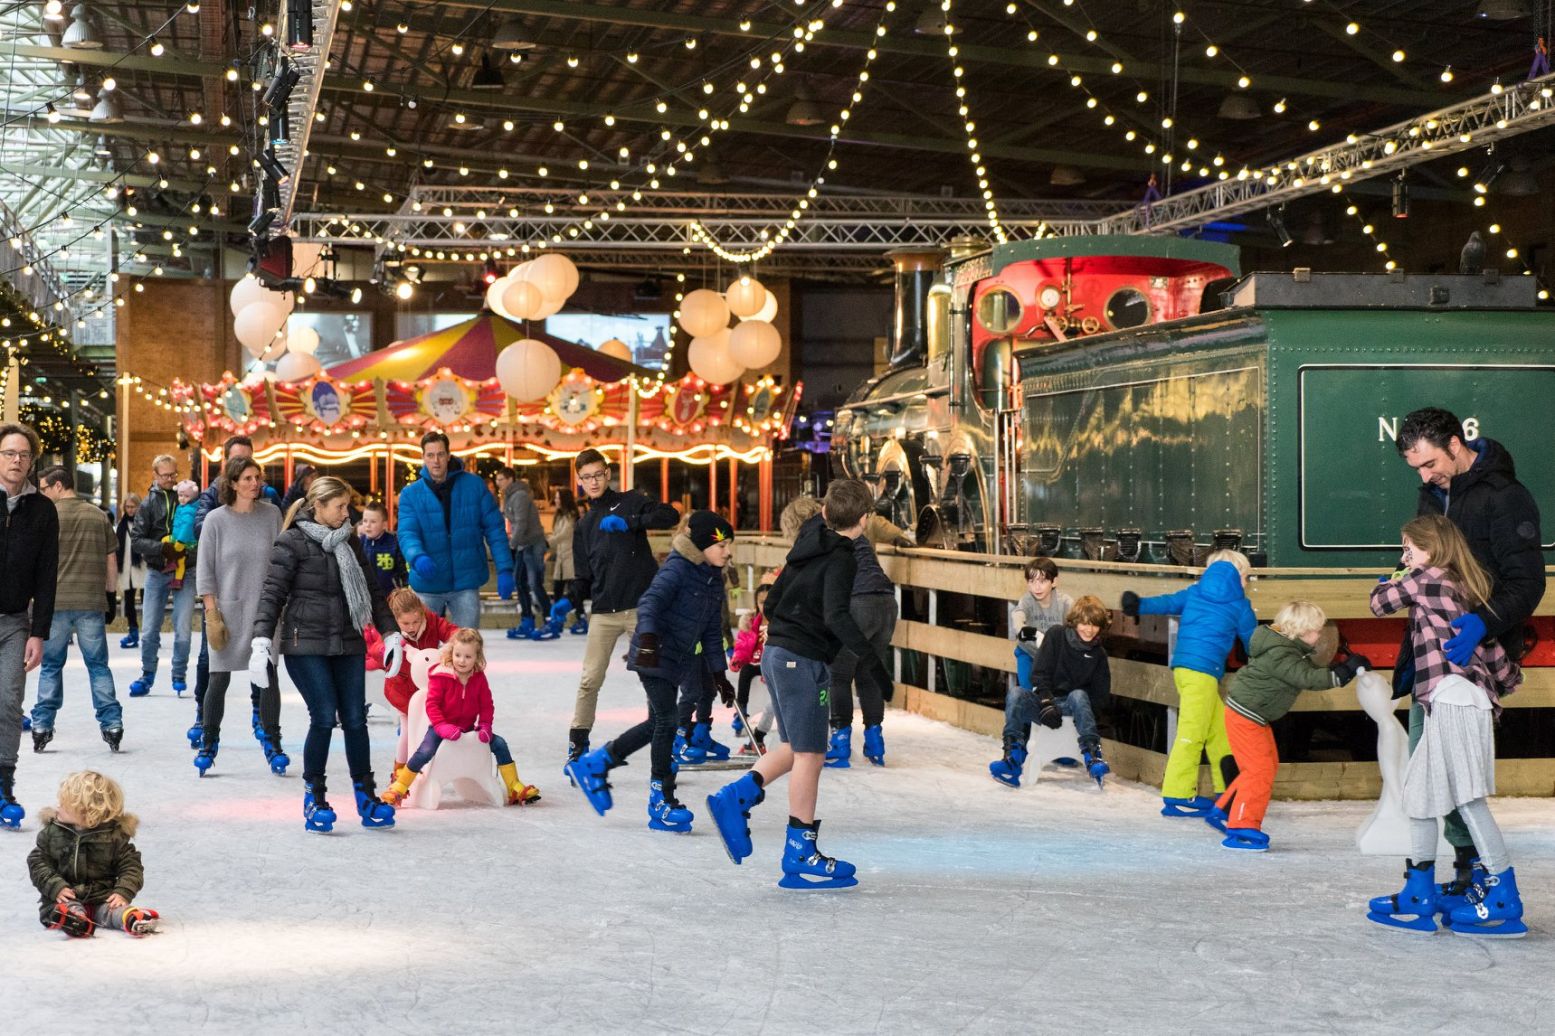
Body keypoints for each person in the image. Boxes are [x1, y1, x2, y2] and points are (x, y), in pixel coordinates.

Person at [705, 480, 893, 890]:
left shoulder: (808, 541)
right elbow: (839, 617)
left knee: (793, 747)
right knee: (811, 755)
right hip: (800, 660)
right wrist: (875, 666)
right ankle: (800, 852)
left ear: (824, 513)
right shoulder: (843, 557)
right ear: (864, 520)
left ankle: (736, 797)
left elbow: (772, 602)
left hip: (779, 655)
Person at [1393, 407, 1545, 902]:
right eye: (1416, 467)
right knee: (1424, 766)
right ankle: (1453, 870)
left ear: (1456, 444)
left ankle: (1475, 869)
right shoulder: (1431, 494)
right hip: (1429, 656)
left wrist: (1484, 622)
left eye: (1430, 463)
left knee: (1455, 772)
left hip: (1474, 657)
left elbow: (1527, 583)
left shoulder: (1505, 498)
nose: (1424, 475)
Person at [1366, 516, 1525, 937]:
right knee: (1418, 796)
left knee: (1468, 799)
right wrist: (1504, 679)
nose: (1405, 557)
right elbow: (1492, 653)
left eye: (1409, 549)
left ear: (1431, 549)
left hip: (1453, 697)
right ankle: (1418, 891)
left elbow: (1379, 603)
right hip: (1452, 698)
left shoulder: (1426, 577)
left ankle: (1503, 895)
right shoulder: (1462, 586)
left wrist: (1393, 577)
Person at [251, 476, 403, 833]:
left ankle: (365, 796)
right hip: (306, 645)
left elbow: (372, 590)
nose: (346, 513)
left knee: (354, 718)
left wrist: (390, 633)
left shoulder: (349, 539)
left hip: (347, 640)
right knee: (323, 716)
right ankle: (314, 797)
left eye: (347, 506)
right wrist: (261, 642)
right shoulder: (291, 542)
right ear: (317, 506)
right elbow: (272, 594)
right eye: (339, 507)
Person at [568, 512, 736, 833]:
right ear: (702, 544)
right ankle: (660, 800)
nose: (727, 551)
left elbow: (712, 631)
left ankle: (597, 763)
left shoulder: (713, 577)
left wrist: (719, 674)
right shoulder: (678, 568)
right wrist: (646, 637)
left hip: (676, 660)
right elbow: (650, 603)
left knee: (658, 722)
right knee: (668, 722)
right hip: (653, 654)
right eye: (722, 544)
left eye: (729, 544)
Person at [550, 448, 680, 772]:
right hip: (605, 612)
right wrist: (570, 599)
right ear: (579, 481)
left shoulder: (631, 501)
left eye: (598, 474)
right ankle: (577, 745)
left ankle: (666, 742)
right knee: (589, 679)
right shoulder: (584, 525)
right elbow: (584, 576)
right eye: (586, 477)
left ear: (607, 474)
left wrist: (631, 522)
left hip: (642, 609)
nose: (593, 481)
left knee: (654, 676)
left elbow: (669, 515)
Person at [1208, 601, 1370, 851]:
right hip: (1246, 715)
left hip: (1253, 714)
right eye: (1316, 630)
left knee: (1265, 766)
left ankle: (1225, 809)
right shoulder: (1281, 653)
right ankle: (1242, 826)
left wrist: (1341, 667)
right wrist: (1342, 673)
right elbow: (1306, 677)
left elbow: (1305, 670)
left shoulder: (1285, 647)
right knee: (1258, 770)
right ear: (1301, 631)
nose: (1320, 635)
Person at [1121, 549, 1256, 818]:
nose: (1247, 583)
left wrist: (1139, 604)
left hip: (1184, 669)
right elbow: (1254, 641)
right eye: (1247, 577)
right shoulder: (1240, 605)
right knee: (1192, 733)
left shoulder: (1195, 592)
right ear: (1238, 573)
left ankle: (1227, 791)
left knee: (1219, 732)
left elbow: (1167, 602)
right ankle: (1178, 794)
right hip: (1203, 673)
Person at [192, 457, 286, 777]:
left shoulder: (271, 515)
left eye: (257, 477)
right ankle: (208, 742)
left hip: (265, 609)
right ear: (232, 483)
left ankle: (273, 743)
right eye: (247, 478)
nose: (254, 483)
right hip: (228, 610)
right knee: (218, 678)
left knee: (268, 675)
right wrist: (212, 612)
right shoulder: (216, 520)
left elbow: (281, 560)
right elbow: (205, 570)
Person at [383, 628, 541, 807]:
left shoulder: (478, 678)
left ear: (477, 657)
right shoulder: (441, 675)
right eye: (458, 655)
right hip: (439, 727)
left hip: (466, 727)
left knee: (500, 744)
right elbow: (432, 705)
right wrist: (442, 726)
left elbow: (486, 705)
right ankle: (399, 787)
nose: (462, 661)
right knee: (425, 751)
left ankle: (514, 787)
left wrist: (485, 726)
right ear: (452, 653)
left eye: (468, 656)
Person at [30, 468, 123, 753]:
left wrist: (32, 600)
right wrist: (110, 595)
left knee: (51, 665)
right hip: (90, 602)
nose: (42, 493)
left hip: (54, 603)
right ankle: (112, 723)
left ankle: (43, 724)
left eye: (44, 488)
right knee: (98, 665)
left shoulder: (46, 516)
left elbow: (34, 563)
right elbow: (111, 562)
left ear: (59, 486)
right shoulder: (98, 516)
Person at [989, 595, 1113, 789]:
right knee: (1016, 694)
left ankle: (1093, 756)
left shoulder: (1098, 655)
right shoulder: (1056, 635)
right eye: (1084, 623)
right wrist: (1046, 701)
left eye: (1094, 625)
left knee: (1078, 694)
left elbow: (1101, 696)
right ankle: (1013, 757)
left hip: (1075, 707)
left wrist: (1086, 712)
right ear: (1074, 622)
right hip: (1046, 702)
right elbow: (1039, 673)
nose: (1089, 629)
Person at [395, 431, 515, 629]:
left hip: (465, 582)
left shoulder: (474, 485)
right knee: (422, 651)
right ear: (423, 457)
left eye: (440, 454)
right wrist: (417, 557)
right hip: (428, 583)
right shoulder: (410, 494)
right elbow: (408, 533)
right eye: (430, 455)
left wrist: (505, 568)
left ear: (449, 455)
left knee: (467, 646)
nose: (436, 461)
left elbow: (494, 529)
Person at [0, 423, 58, 829]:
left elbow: (46, 575)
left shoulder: (42, 511)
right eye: (8, 453)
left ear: (31, 461)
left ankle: (3, 784)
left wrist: (39, 632)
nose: (16, 460)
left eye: (22, 454)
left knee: (8, 700)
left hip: (15, 622)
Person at [27, 770, 159, 937]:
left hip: (102, 898)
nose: (57, 806)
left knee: (113, 911)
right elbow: (37, 863)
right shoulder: (51, 834)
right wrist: (56, 887)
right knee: (61, 910)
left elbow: (131, 866)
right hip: (63, 898)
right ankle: (75, 921)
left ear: (88, 812)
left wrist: (122, 891)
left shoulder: (113, 838)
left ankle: (132, 918)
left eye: (64, 804)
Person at [824, 510, 901, 769]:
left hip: (859, 604)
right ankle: (875, 741)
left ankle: (841, 743)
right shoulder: (861, 540)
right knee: (869, 673)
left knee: (840, 674)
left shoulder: (830, 540)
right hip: (887, 603)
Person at [365, 587, 460, 780]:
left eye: (416, 621)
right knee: (408, 728)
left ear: (421, 612)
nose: (411, 627)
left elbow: (451, 631)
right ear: (396, 619)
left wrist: (458, 642)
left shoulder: (431, 620)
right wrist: (390, 647)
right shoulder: (388, 628)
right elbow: (375, 648)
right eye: (405, 623)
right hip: (402, 689)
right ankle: (399, 771)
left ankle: (435, 768)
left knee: (435, 725)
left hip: (429, 688)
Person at [129, 454, 195, 698]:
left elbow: (199, 531)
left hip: (186, 570)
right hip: (157, 572)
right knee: (149, 629)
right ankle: (147, 674)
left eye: (174, 474)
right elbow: (136, 540)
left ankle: (179, 674)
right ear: (155, 475)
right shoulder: (147, 504)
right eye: (166, 475)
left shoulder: (188, 499)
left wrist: (189, 551)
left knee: (184, 627)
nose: (171, 479)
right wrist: (161, 548)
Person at [496, 467, 551, 637]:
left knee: (534, 583)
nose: (498, 483)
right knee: (520, 581)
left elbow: (521, 523)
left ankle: (550, 619)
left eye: (501, 479)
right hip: (523, 545)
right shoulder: (511, 496)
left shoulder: (519, 495)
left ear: (510, 479)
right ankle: (527, 619)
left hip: (533, 544)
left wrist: (512, 544)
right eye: (497, 480)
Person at [1011, 557, 1075, 691]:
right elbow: (1018, 619)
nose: (1036, 587)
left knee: (1054, 693)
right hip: (1029, 653)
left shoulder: (1065, 603)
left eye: (1043, 581)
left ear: (1054, 581)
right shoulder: (1027, 601)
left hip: (1054, 658)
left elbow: (1075, 627)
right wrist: (1030, 633)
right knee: (1027, 692)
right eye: (1031, 581)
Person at [730, 582, 774, 756]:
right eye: (761, 602)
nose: (764, 606)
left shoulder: (780, 622)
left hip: (770, 664)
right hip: (754, 662)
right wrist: (738, 659)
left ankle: (757, 738)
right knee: (746, 671)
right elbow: (741, 645)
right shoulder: (750, 621)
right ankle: (741, 712)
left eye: (768, 601)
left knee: (773, 702)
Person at [114, 494, 145, 649]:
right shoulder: (122, 524)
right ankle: (133, 631)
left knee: (147, 602)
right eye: (128, 507)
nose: (130, 510)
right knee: (129, 603)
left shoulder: (144, 523)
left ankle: (150, 633)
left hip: (143, 567)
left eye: (133, 506)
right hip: (126, 568)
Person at [357, 502, 406, 597]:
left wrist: (403, 590)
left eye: (373, 521)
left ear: (384, 525)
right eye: (365, 521)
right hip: (367, 597)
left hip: (390, 596)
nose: (368, 525)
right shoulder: (359, 543)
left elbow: (403, 571)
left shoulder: (394, 543)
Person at [164, 479, 200, 590]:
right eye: (180, 495)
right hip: (177, 536)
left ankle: (178, 580)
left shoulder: (189, 510)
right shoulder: (182, 507)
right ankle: (172, 560)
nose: (182, 499)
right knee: (164, 540)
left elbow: (186, 527)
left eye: (186, 496)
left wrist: (180, 541)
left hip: (185, 540)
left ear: (193, 497)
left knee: (181, 560)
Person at [547, 486, 578, 606]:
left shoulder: (571, 517)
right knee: (557, 591)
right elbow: (556, 535)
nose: (556, 500)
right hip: (560, 561)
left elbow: (564, 534)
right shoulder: (559, 517)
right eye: (555, 498)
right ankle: (557, 620)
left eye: (558, 498)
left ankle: (579, 618)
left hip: (570, 560)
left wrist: (546, 543)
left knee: (572, 594)